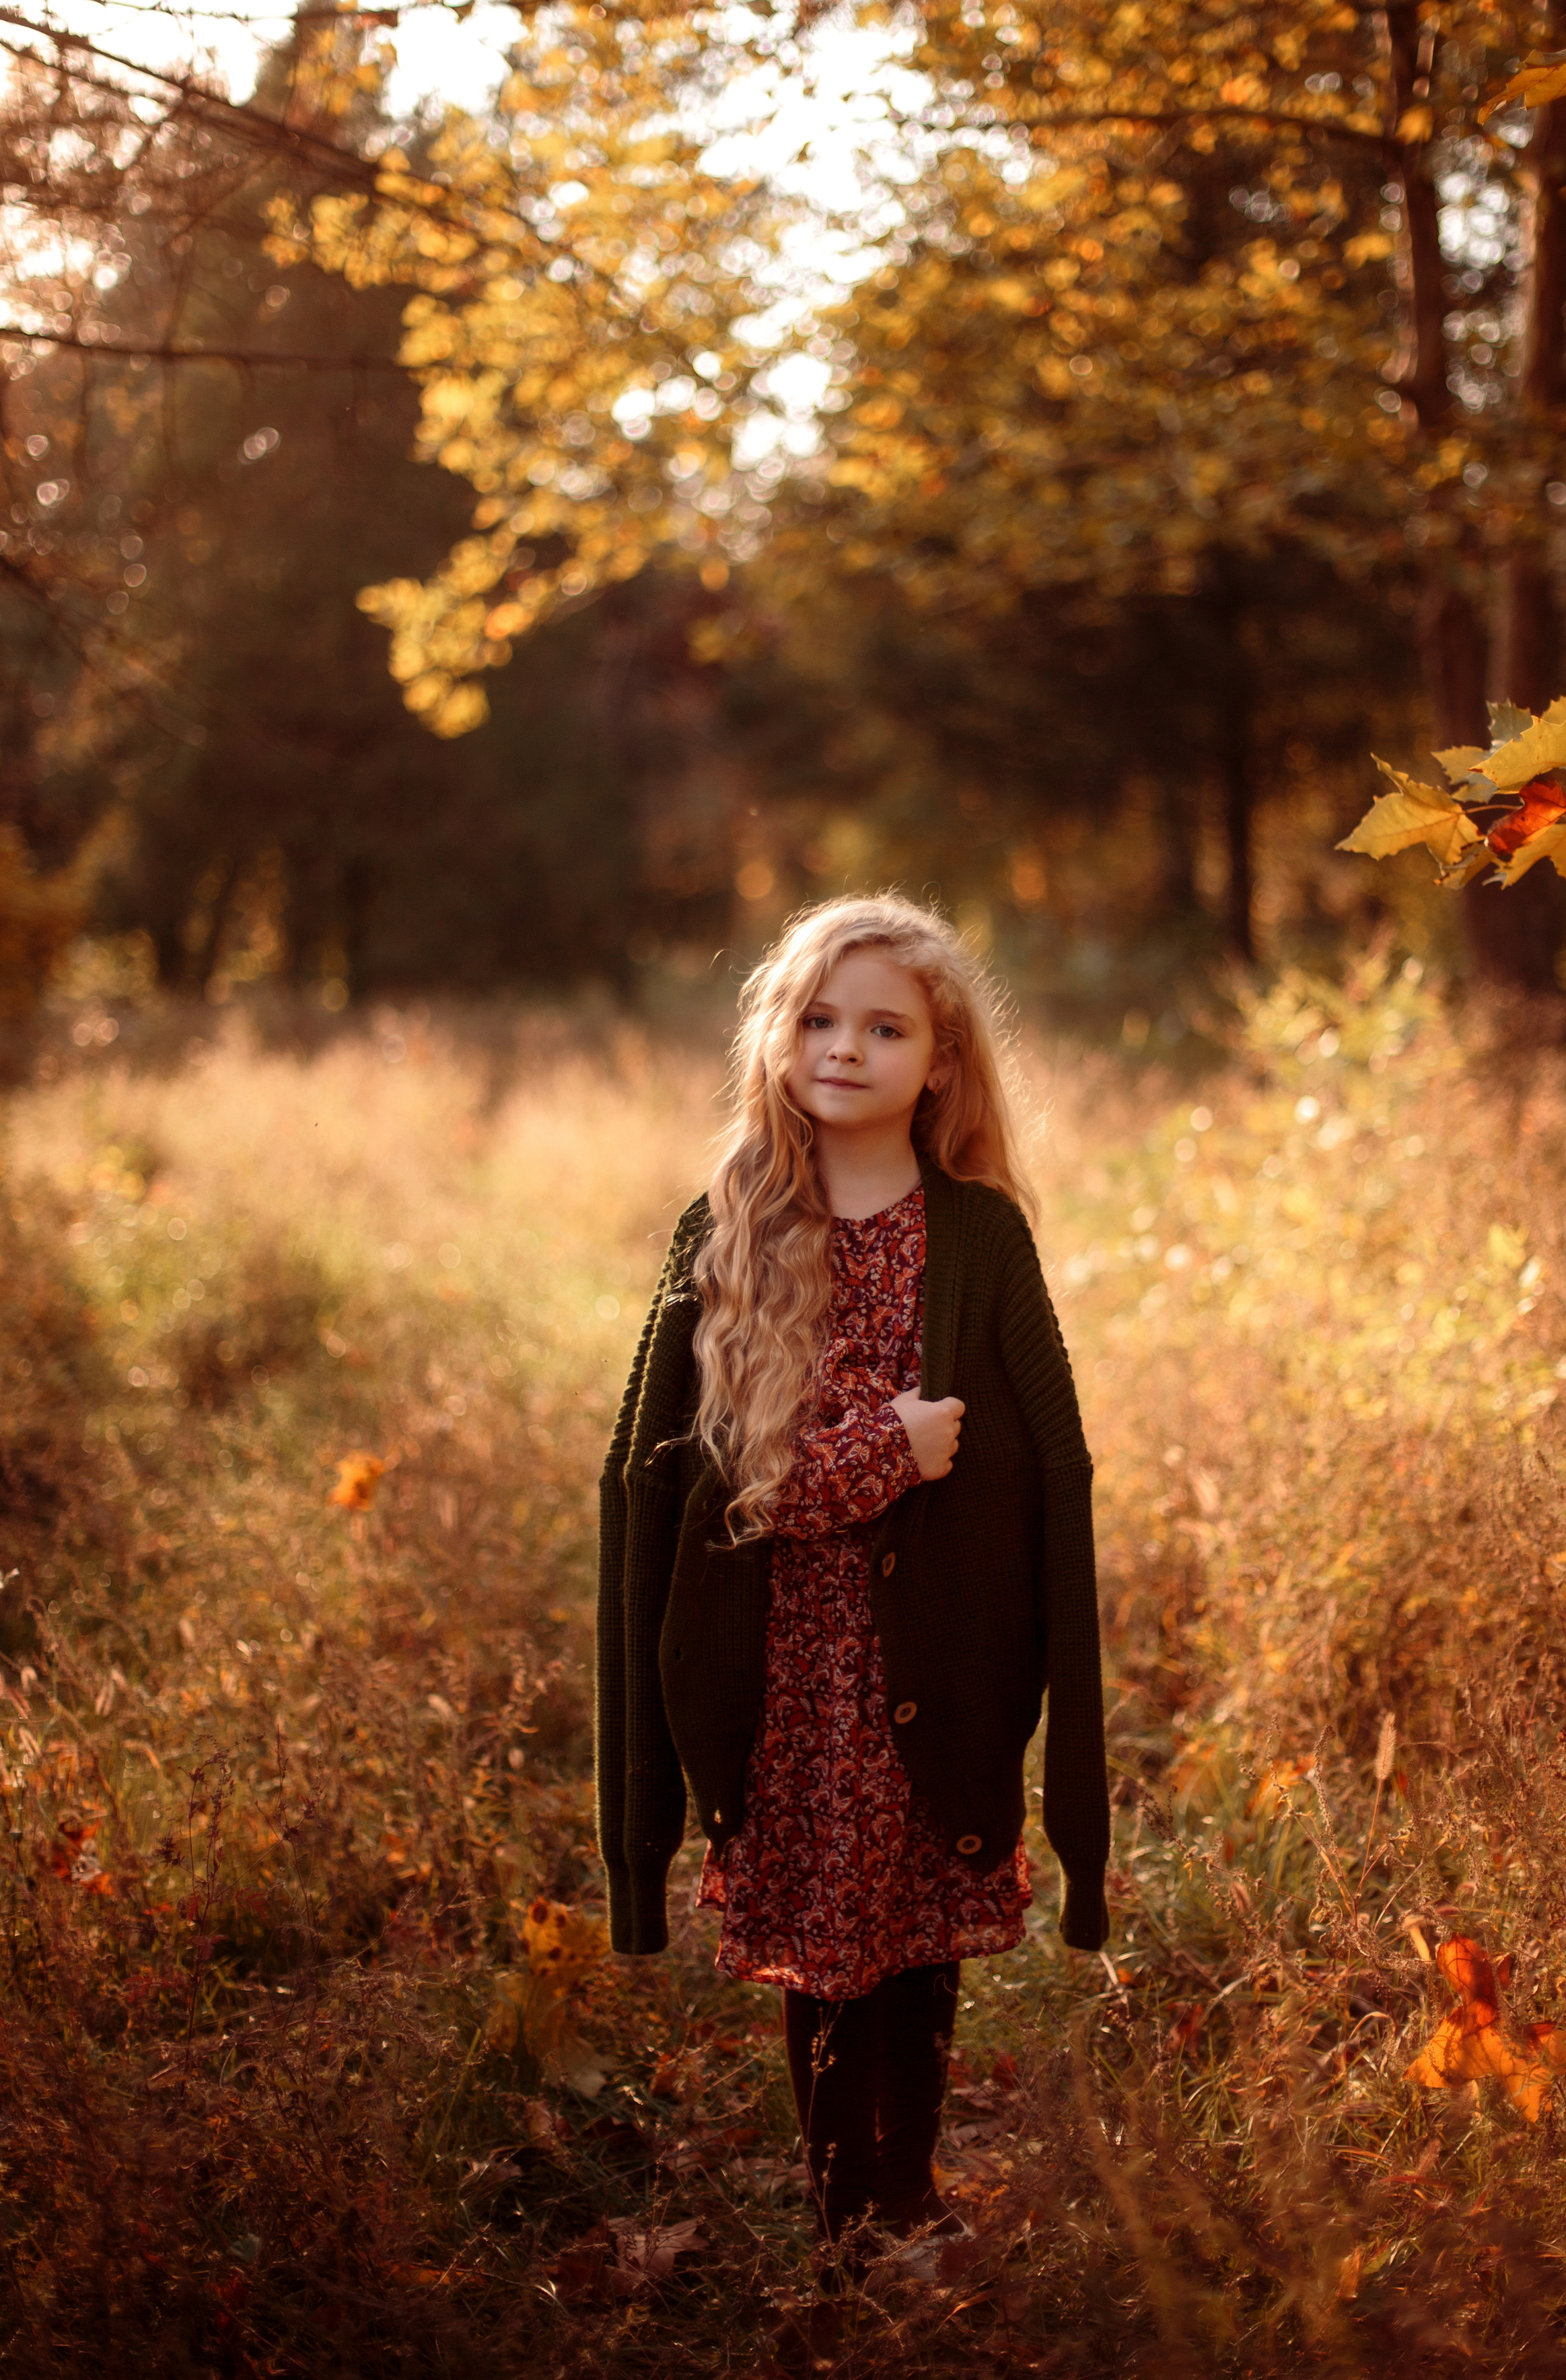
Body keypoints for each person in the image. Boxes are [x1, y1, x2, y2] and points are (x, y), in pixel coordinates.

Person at [597, 893, 1110, 2267]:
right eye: (818, 1020)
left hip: (936, 1660)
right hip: (786, 1673)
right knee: (826, 1948)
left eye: (885, 1029)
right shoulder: (727, 1229)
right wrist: (887, 1452)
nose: (845, 1048)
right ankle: (846, 2219)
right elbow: (698, 1488)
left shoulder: (979, 1238)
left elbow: (1049, 1462)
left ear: (940, 1063)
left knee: (916, 1925)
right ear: (776, 1037)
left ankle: (909, 2195)